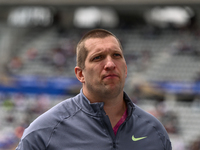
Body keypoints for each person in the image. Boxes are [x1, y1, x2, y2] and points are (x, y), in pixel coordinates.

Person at [16, 29, 172, 150]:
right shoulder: (45, 131)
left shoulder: (154, 130)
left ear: (125, 68)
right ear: (80, 74)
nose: (110, 64)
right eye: (98, 57)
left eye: (116, 55)